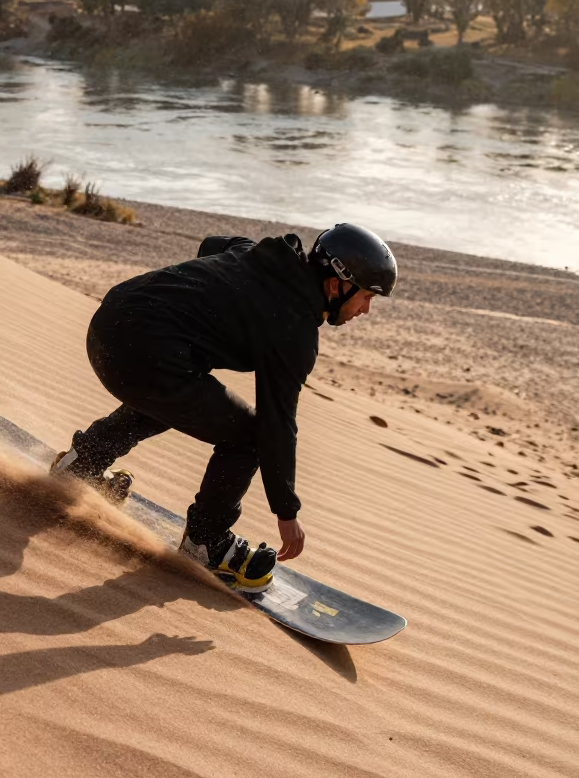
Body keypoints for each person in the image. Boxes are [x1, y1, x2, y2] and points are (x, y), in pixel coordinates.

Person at [51, 223, 398, 592]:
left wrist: (208, 297)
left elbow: (212, 244)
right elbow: (276, 425)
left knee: (177, 395)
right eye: (366, 297)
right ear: (336, 284)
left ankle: (84, 462)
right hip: (141, 355)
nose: (365, 309)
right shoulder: (294, 330)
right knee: (248, 437)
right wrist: (286, 512)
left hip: (108, 324)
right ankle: (206, 542)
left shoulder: (258, 253)